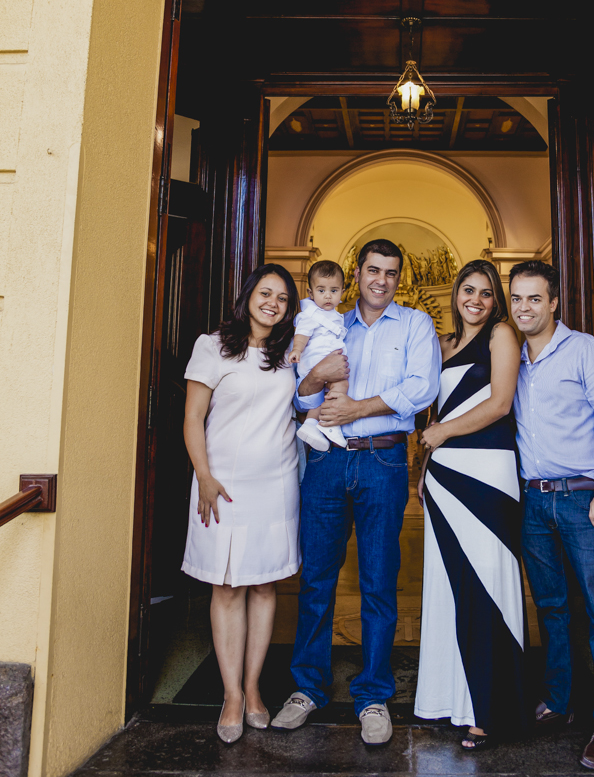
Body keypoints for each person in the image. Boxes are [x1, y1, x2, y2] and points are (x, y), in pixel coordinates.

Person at [271, 239, 441, 746]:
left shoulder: (414, 325)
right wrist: (314, 381)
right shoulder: (326, 320)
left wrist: (356, 408)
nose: (381, 280)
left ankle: (372, 695)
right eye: (373, 270)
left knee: (378, 579)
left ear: (398, 279)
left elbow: (422, 388)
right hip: (325, 458)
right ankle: (307, 689)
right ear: (357, 274)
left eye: (391, 272)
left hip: (383, 458)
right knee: (317, 577)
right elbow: (296, 392)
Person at [509, 259, 594, 771]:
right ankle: (559, 701)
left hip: (584, 498)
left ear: (554, 302)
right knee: (552, 607)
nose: (524, 308)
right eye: (517, 299)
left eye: (535, 298)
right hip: (533, 500)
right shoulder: (510, 358)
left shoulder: (587, 352)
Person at [182, 264, 300, 744]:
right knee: (227, 587)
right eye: (265, 293)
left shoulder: (290, 354)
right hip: (222, 485)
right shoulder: (212, 346)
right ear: (248, 295)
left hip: (276, 484)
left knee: (265, 586)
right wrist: (204, 476)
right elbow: (192, 417)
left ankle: (254, 689)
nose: (273, 302)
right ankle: (230, 693)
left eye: (283, 298)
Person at [415, 259, 525, 750]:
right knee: (449, 586)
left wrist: (440, 432)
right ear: (455, 294)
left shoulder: (502, 334)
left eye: (485, 292)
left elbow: (500, 403)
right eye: (468, 290)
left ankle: (492, 708)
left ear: (494, 299)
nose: (475, 300)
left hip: (487, 474)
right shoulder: (442, 346)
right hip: (442, 476)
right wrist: (422, 474)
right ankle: (447, 700)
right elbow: (437, 410)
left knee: (488, 585)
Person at [289, 259, 349, 452]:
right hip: (316, 361)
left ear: (342, 292)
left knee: (325, 394)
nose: (328, 296)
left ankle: (311, 424)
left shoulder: (336, 315)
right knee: (341, 384)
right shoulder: (310, 314)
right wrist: (297, 350)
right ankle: (330, 424)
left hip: (326, 359)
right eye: (321, 290)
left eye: (334, 290)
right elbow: (302, 334)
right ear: (310, 293)